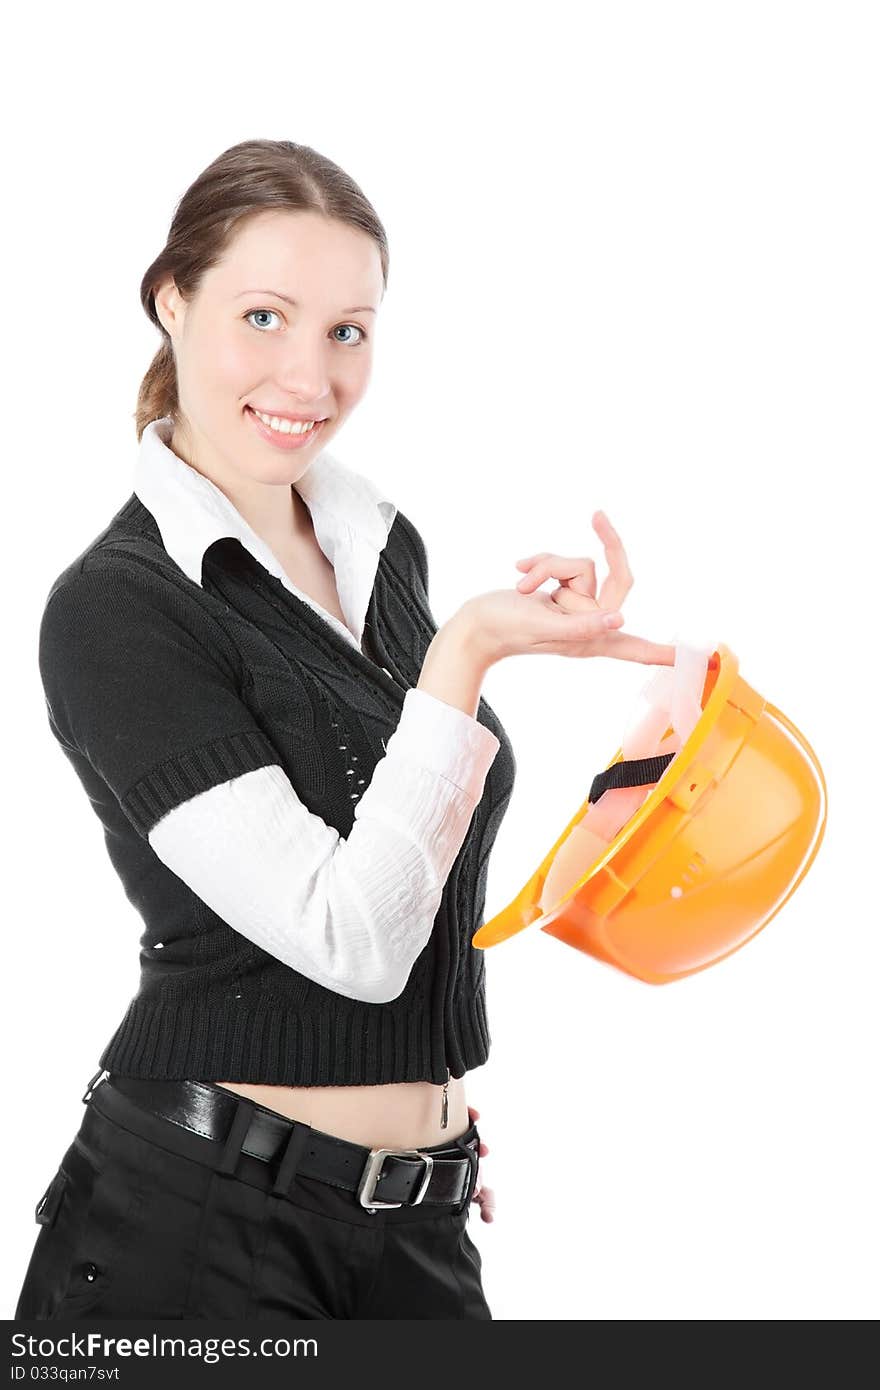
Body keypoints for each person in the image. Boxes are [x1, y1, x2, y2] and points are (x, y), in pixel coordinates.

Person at [14, 138, 675, 1321]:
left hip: (416, 1220)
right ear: (172, 300)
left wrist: (638, 781)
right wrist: (465, 655)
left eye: (347, 331)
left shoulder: (377, 544)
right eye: (263, 317)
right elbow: (348, 939)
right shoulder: (119, 608)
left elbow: (416, 878)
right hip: (200, 1229)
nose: (308, 376)